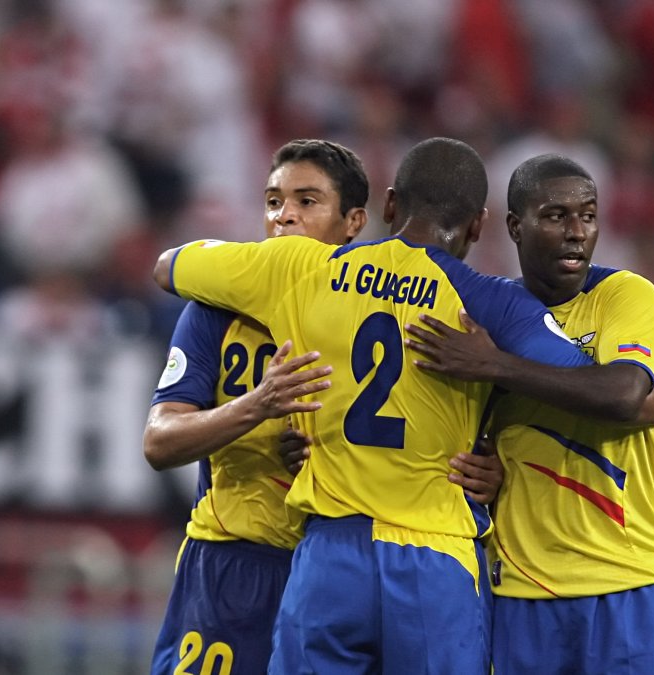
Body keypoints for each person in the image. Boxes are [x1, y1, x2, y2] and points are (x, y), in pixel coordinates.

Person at [152, 137, 654, 673]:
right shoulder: (491, 301)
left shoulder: (299, 267)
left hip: (333, 552)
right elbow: (596, 385)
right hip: (433, 560)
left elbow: (170, 266)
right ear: (479, 226)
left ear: (386, 207)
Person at [144, 139, 505, 674]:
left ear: (356, 220)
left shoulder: (400, 310)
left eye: (306, 201)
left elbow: (459, 435)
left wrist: (493, 472)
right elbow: (158, 440)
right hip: (240, 562)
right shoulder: (216, 311)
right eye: (272, 201)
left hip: (347, 559)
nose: (283, 215)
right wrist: (257, 406)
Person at [404, 154, 654, 673]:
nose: (577, 232)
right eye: (556, 216)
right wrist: (486, 465)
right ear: (516, 226)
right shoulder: (483, 315)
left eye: (588, 215)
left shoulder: (625, 294)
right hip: (524, 588)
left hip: (631, 580)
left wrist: (497, 366)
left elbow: (622, 392)